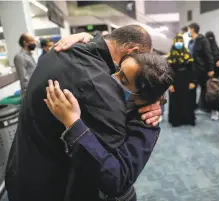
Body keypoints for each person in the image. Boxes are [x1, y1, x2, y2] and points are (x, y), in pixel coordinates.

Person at [5, 25, 164, 201]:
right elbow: (115, 178)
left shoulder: (62, 49)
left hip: (22, 167)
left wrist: (152, 99)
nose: (114, 78)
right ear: (133, 51)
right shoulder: (98, 86)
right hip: (48, 186)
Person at [43, 52, 170, 201]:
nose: (111, 78)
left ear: (142, 97)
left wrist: (73, 124)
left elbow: (117, 179)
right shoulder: (117, 90)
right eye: (117, 70)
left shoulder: (145, 126)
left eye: (122, 78)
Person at [168, 34, 196, 126]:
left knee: (187, 100)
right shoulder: (171, 54)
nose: (179, 43)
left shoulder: (187, 53)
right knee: (176, 101)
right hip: (175, 81)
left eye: (180, 41)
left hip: (186, 80)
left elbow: (192, 69)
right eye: (177, 41)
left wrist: (193, 81)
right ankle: (176, 120)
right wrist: (170, 84)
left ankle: (187, 119)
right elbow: (168, 71)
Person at [188, 23, 214, 112]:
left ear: (192, 29)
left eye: (189, 29)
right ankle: (192, 105)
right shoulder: (190, 41)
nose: (188, 31)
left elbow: (208, 54)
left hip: (201, 68)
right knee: (192, 88)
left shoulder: (203, 40)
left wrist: (211, 68)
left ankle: (206, 107)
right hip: (191, 69)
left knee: (204, 88)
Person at [205, 31, 219, 120]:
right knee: (208, 92)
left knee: (215, 93)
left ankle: (216, 109)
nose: (210, 40)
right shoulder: (204, 48)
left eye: (211, 37)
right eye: (208, 38)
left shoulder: (216, 48)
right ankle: (208, 107)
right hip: (206, 74)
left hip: (215, 75)